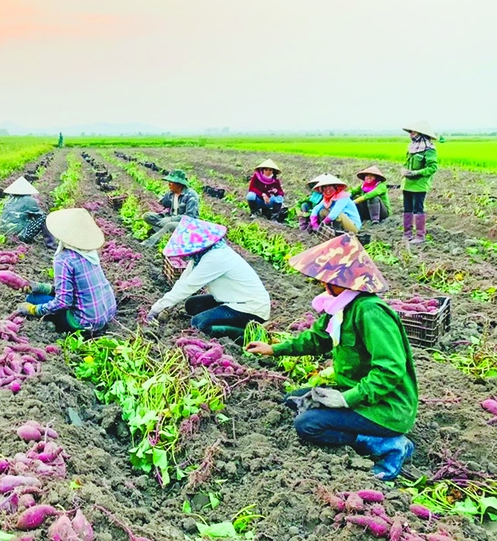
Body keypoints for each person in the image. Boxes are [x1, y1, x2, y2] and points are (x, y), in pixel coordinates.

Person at [246, 234, 417, 481]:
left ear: (342, 279)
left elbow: (390, 370)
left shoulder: (370, 312)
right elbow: (317, 339)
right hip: (357, 394)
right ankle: (370, 433)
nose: (319, 282)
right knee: (292, 399)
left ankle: (389, 445)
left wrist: (346, 399)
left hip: (385, 408)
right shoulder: (340, 306)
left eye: (324, 278)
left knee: (308, 424)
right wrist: (273, 349)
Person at [146, 217, 271, 340]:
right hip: (231, 299)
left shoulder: (215, 258)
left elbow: (188, 286)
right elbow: (184, 281)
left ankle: (250, 333)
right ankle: (230, 322)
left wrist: (155, 309)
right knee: (192, 305)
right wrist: (166, 306)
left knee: (199, 324)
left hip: (251, 308)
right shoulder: (202, 255)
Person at [16, 208, 117, 333]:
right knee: (40, 294)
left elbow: (63, 302)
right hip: (107, 313)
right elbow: (77, 289)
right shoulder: (90, 252)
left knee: (33, 299)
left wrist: (34, 310)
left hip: (85, 324)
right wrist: (42, 287)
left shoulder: (64, 258)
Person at [401, 121, 439, 244]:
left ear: (421, 133)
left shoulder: (429, 149)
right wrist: (404, 170)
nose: (410, 134)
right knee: (407, 208)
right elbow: (406, 163)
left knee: (418, 209)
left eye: (413, 132)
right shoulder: (411, 147)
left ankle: (420, 236)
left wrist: (415, 173)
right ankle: (407, 234)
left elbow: (432, 168)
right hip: (407, 183)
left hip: (419, 184)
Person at [141, 169, 200, 248]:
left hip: (187, 225)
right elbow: (166, 205)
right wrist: (163, 200)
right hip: (171, 218)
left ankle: (147, 244)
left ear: (179, 184)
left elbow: (190, 217)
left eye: (171, 182)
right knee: (147, 216)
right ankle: (166, 236)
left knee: (170, 225)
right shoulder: (172, 193)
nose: (169, 184)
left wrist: (171, 219)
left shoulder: (191, 196)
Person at [0, 176, 56, 248]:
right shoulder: (28, 200)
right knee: (45, 218)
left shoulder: (8, 200)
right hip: (19, 236)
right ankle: (51, 244)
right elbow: (39, 216)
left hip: (3, 235)